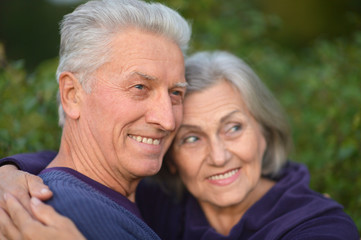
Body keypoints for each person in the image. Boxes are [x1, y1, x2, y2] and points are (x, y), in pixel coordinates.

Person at [0, 51, 359, 239]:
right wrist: (9, 172)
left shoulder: (319, 227)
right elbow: (82, 159)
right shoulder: (163, 204)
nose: (218, 157)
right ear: (168, 155)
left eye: (233, 128)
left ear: (265, 131)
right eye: (191, 138)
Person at [0, 0, 191, 239]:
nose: (167, 120)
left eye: (176, 93)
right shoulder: (65, 218)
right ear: (72, 94)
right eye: (140, 87)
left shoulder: (147, 197)